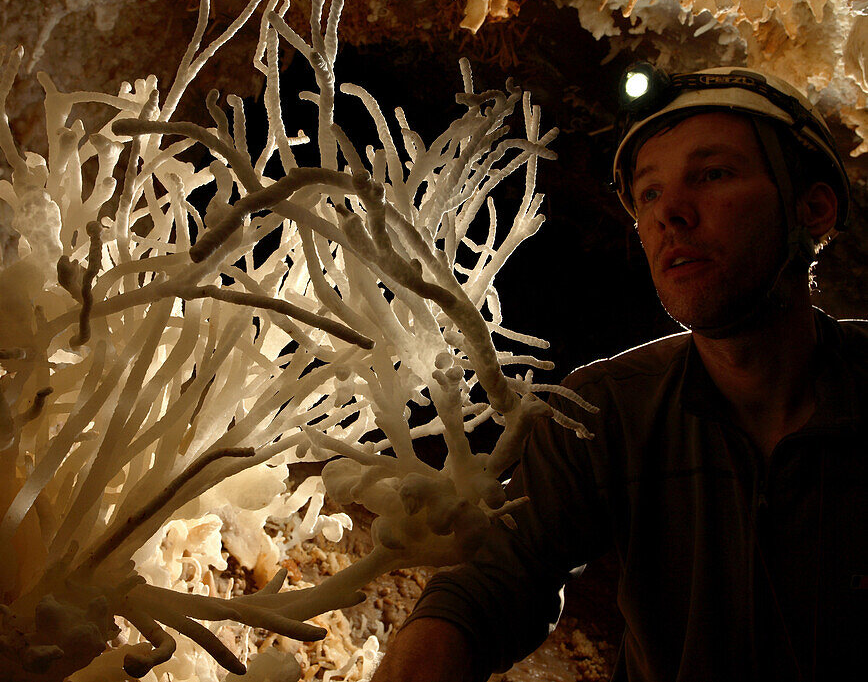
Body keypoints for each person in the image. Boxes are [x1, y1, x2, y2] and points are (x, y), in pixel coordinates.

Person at [371, 66, 867, 681]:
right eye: (650, 193)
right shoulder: (606, 413)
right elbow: (501, 574)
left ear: (813, 209)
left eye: (712, 175)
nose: (671, 215)